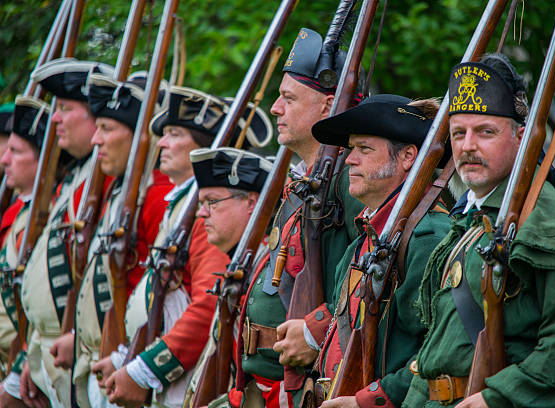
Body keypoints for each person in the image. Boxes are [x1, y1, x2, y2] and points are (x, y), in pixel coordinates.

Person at [402, 54, 555, 408]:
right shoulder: (470, 222)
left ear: (520, 136)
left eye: (485, 132)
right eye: (458, 133)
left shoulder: (550, 220)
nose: (467, 145)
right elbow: (437, 353)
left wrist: (501, 398)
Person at [199, 27, 364, 408]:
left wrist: (317, 326)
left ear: (328, 106)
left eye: (288, 98)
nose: (275, 108)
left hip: (311, 381)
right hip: (269, 385)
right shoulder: (304, 180)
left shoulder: (346, 183)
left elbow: (364, 276)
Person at [94, 86, 272, 408]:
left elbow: (207, 304)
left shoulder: (206, 214)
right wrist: (128, 358)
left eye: (174, 133)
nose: (161, 142)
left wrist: (144, 370)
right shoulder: (183, 206)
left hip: (183, 382)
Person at [308, 94, 451, 408]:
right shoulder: (364, 240)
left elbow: (439, 351)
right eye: (351, 149)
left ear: (408, 156)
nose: (349, 160)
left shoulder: (428, 238)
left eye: (364, 149)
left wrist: (372, 400)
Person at [66, 72, 173, 408]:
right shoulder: (116, 191)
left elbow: (159, 299)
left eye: (107, 129)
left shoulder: (158, 197)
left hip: (129, 364)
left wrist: (129, 358)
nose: (96, 139)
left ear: (140, 137)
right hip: (103, 360)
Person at [15, 58, 114, 407]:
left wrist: (75, 336)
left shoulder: (104, 179)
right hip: (55, 351)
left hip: (87, 352)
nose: (54, 118)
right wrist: (32, 352)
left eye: (65, 108)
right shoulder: (77, 179)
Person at [0, 96, 47, 406]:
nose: (4, 160)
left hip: (30, 365)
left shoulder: (47, 213)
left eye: (15, 151)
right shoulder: (17, 214)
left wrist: (18, 371)